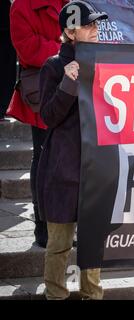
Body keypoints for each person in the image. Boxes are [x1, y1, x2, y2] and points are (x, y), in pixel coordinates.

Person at [37, 0, 108, 300]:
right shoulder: (54, 66)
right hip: (62, 170)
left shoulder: (106, 61)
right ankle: (55, 295)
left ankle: (93, 296)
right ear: (70, 31)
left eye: (96, 24)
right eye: (88, 25)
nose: (95, 29)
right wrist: (68, 81)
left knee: (92, 246)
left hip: (96, 170)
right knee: (58, 245)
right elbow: (48, 116)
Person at [8, 0, 70, 248]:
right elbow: (27, 48)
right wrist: (64, 51)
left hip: (75, 88)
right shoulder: (22, 6)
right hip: (44, 89)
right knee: (43, 158)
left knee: (68, 159)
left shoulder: (70, 3)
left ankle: (66, 224)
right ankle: (43, 224)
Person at [0, 0, 16, 121]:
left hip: (9, 27)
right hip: (8, 26)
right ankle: (3, 107)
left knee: (7, 70)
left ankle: (3, 107)